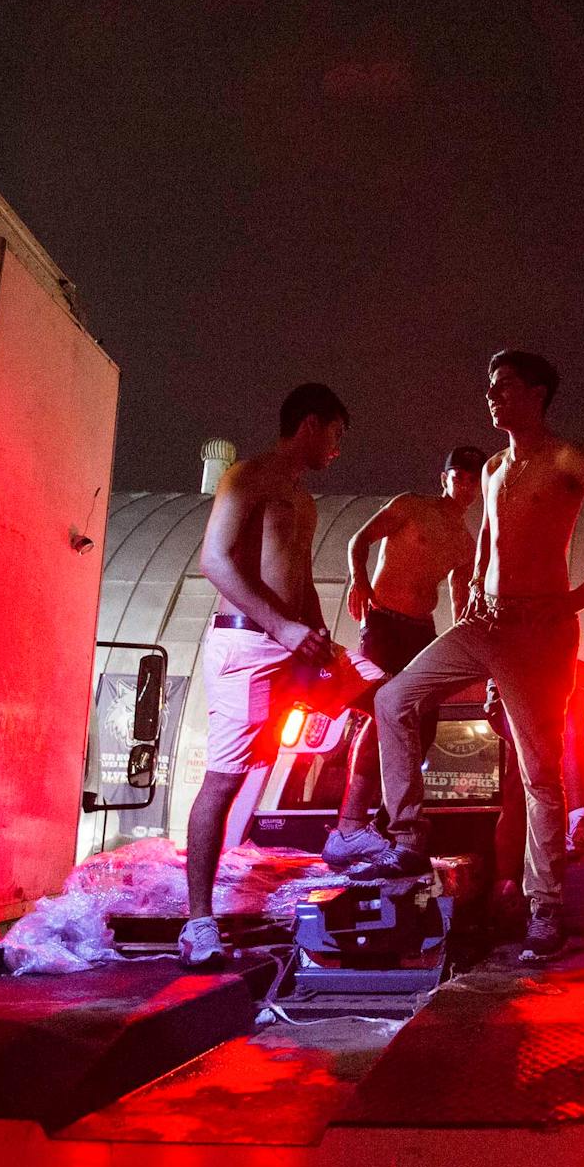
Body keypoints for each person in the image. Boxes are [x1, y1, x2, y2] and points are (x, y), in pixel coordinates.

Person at [352, 350, 584, 961]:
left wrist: (582, 594)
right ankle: (407, 836)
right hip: (484, 624)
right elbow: (489, 539)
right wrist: (472, 591)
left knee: (540, 776)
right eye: (490, 387)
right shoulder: (494, 467)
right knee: (393, 698)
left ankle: (546, 910)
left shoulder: (568, 458)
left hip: (538, 634)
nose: (492, 397)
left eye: (504, 386)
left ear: (538, 393)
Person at [187, 383, 382, 965]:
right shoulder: (246, 476)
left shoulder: (304, 498)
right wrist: (283, 628)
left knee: (386, 697)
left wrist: (319, 639)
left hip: (296, 643)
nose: (338, 449)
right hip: (246, 644)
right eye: (336, 435)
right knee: (224, 781)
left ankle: (350, 829)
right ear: (310, 424)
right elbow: (214, 560)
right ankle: (198, 923)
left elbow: (299, 576)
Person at [324, 445, 485, 871]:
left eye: (473, 480)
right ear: (445, 479)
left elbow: (461, 597)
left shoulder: (465, 541)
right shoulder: (412, 506)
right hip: (384, 622)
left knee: (424, 726)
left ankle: (381, 823)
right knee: (383, 714)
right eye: (459, 477)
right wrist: (359, 580)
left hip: (421, 630)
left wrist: (466, 638)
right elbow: (359, 539)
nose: (465, 487)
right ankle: (348, 826)